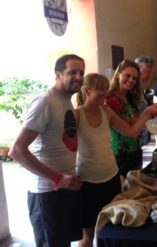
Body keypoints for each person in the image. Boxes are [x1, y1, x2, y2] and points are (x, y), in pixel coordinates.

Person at [75, 73, 157, 247]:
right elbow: (67, 148)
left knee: (111, 229)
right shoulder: (77, 115)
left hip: (111, 177)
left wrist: (147, 113)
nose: (105, 93)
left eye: (106, 89)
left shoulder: (106, 111)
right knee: (87, 236)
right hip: (87, 182)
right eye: (100, 89)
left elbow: (131, 131)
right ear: (87, 91)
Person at [8, 54, 85, 247]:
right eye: (72, 72)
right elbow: (16, 150)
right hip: (47, 193)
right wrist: (57, 178)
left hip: (64, 188)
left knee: (63, 242)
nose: (78, 76)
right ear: (58, 75)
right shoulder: (45, 102)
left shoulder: (66, 100)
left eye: (81, 72)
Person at [105, 59, 148, 185]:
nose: (131, 80)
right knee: (123, 194)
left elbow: (137, 121)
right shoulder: (109, 98)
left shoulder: (131, 97)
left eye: (134, 78)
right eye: (127, 76)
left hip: (136, 150)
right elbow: (126, 122)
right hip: (119, 153)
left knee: (135, 189)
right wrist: (147, 119)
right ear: (118, 75)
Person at [135, 55, 154, 145]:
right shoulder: (132, 88)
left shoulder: (139, 86)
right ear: (138, 70)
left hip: (143, 131)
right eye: (148, 72)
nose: (150, 76)